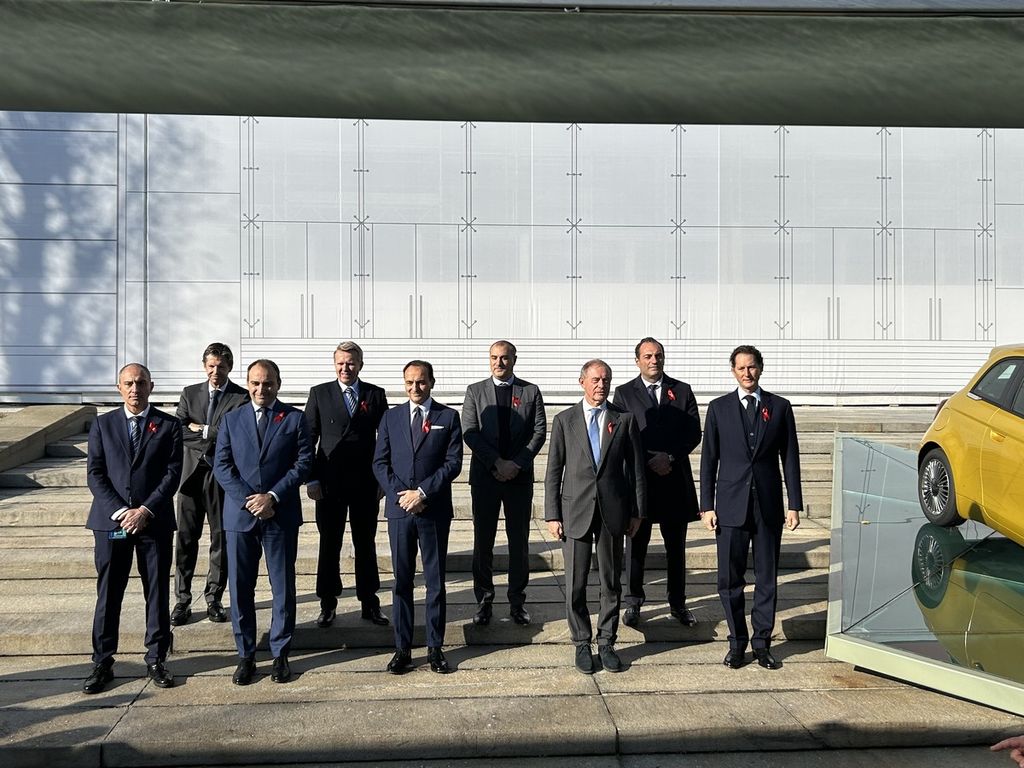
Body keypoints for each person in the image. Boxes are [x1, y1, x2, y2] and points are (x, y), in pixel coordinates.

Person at [699, 345, 802, 671]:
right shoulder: (719, 408)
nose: (747, 373)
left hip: (768, 507)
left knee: (767, 578)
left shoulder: (780, 407)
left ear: (760, 368)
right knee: (729, 580)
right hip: (730, 507)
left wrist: (794, 504)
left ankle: (762, 644)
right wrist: (706, 506)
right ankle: (737, 642)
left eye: (752, 366)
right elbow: (708, 460)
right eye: (741, 368)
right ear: (733, 371)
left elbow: (790, 457)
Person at [83, 363, 183, 694]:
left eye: (141, 383)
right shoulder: (103, 424)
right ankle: (102, 661)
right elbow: (95, 473)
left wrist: (144, 510)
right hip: (111, 523)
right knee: (109, 592)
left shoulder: (169, 425)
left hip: (153, 522)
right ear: (119, 387)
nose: (135, 389)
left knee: (156, 591)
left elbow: (172, 473)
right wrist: (122, 511)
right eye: (128, 383)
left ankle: (156, 658)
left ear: (151, 386)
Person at [214, 359, 312, 685]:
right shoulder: (231, 420)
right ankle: (246, 655)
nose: (261, 389)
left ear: (278, 384)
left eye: (267, 383)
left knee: (282, 586)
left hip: (279, 515)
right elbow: (222, 466)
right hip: (240, 516)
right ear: (247, 384)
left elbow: (303, 463)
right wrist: (251, 499)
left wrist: (272, 496)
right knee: (241, 588)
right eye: (255, 383)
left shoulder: (294, 418)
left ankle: (280, 653)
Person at [544, 360, 645, 674]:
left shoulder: (623, 419)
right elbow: (553, 471)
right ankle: (581, 642)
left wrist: (637, 512)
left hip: (612, 513)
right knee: (575, 584)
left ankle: (606, 642)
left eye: (606, 380)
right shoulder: (565, 420)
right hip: (575, 512)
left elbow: (636, 471)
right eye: (596, 380)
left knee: (610, 582)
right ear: (582, 382)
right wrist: (552, 514)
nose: (601, 385)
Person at [372, 360, 463, 674]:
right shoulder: (391, 417)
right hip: (400, 511)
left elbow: (452, 463)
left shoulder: (448, 417)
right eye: (409, 382)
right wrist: (403, 496)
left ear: (432, 382)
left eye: (421, 382)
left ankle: (435, 647)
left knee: (435, 582)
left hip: (433, 510)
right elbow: (380, 462)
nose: (415, 388)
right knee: (402, 581)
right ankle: (402, 649)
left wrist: (422, 493)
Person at [612, 337, 701, 628]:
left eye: (658, 355)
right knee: (636, 546)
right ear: (637, 360)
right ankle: (633, 602)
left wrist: (670, 457)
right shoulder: (624, 393)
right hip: (641, 482)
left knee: (676, 548)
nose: (654, 360)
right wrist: (648, 459)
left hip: (675, 481)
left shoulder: (682, 390)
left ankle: (678, 603)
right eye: (648, 356)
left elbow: (693, 433)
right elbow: (621, 433)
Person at [304, 341, 389, 629]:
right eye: (340, 363)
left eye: (351, 363)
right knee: (330, 543)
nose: (345, 368)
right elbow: (308, 438)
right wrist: (311, 478)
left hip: (365, 482)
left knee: (365, 543)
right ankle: (327, 602)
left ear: (360, 364)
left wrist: (383, 478)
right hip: (329, 483)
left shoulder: (375, 394)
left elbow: (385, 439)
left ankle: (369, 601)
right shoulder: (320, 393)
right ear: (334, 364)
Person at [462, 340, 546, 626]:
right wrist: (497, 463)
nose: (499, 363)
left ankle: (517, 601)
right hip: (486, 478)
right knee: (483, 541)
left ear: (514, 360)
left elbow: (539, 432)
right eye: (494, 357)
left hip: (518, 479)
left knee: (519, 542)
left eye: (504, 358)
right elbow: (470, 432)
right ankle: (484, 601)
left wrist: (516, 464)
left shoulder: (530, 391)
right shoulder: (475, 391)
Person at [172, 342, 249, 626]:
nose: (216, 372)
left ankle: (214, 597)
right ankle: (182, 599)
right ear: (204, 366)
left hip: (221, 476)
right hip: (191, 477)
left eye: (221, 367)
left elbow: (235, 432)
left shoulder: (240, 397)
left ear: (230, 367)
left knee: (220, 539)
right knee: (185, 539)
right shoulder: (190, 393)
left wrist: (203, 430)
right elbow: (178, 430)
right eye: (211, 366)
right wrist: (213, 435)